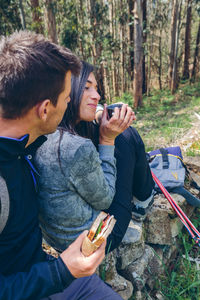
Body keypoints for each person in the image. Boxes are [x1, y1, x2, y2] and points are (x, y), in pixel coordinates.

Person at [0, 31, 123, 300]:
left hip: (41, 269)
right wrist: (62, 271)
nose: (70, 101)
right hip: (33, 283)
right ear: (44, 110)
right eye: (68, 96)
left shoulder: (23, 146)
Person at [36, 61, 154, 254]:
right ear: (68, 92)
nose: (97, 95)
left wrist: (99, 113)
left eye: (96, 89)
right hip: (94, 240)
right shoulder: (76, 147)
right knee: (126, 136)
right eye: (86, 88)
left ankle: (145, 191)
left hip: (56, 236)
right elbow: (106, 201)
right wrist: (107, 140)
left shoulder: (44, 131)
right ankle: (144, 198)